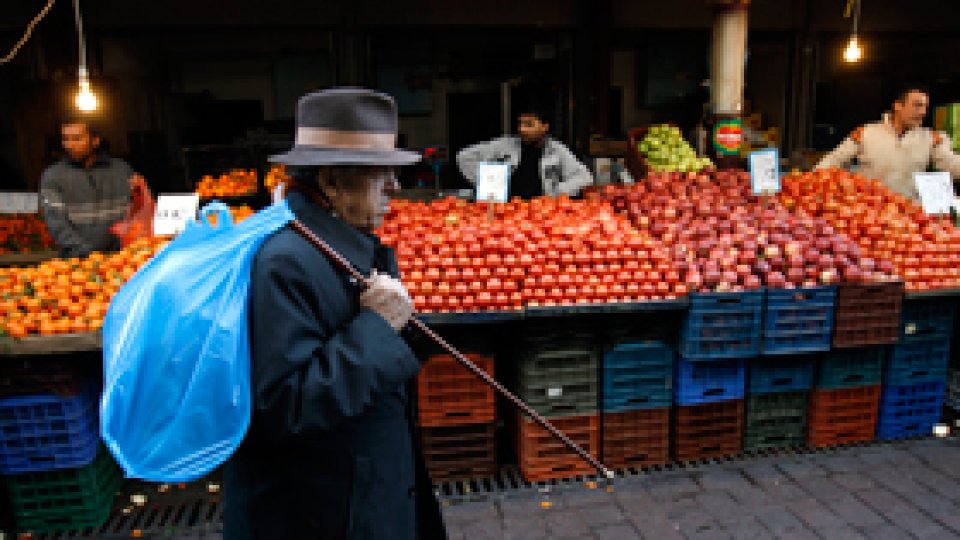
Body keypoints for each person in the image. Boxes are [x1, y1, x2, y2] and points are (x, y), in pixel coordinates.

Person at [223, 88, 446, 540]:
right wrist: (379, 327)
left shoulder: (339, 243)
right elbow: (285, 405)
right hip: (326, 510)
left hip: (357, 491)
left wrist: (402, 334)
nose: (394, 188)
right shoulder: (287, 261)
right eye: (379, 174)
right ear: (331, 181)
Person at [815, 86, 960, 202]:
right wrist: (811, 181)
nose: (922, 112)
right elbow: (834, 160)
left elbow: (952, 163)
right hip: (868, 214)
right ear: (898, 106)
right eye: (917, 105)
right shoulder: (865, 133)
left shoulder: (931, 138)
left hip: (909, 215)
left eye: (925, 107)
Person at [39, 116, 142, 257]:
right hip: (77, 265)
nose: (69, 145)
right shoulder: (53, 176)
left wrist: (140, 191)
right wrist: (89, 255)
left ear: (95, 140)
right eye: (65, 139)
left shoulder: (121, 170)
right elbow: (57, 224)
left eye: (77, 139)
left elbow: (137, 214)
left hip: (122, 259)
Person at [456, 106, 593, 198]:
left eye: (529, 125)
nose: (522, 129)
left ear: (545, 127)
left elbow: (584, 178)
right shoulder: (505, 145)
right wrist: (486, 183)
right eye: (520, 124)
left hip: (542, 214)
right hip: (505, 211)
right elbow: (464, 157)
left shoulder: (557, 150)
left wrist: (555, 193)